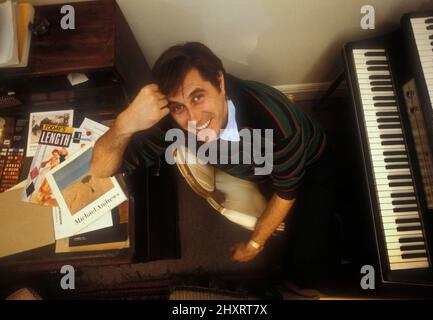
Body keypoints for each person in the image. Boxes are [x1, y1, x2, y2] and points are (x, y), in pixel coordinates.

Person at [91, 42, 337, 286]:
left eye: (197, 97)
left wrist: (254, 245)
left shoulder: (277, 126)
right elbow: (100, 169)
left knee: (303, 264)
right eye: (179, 107)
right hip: (259, 171)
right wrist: (125, 123)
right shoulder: (173, 122)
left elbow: (286, 191)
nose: (194, 120)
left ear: (220, 82)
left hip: (311, 165)